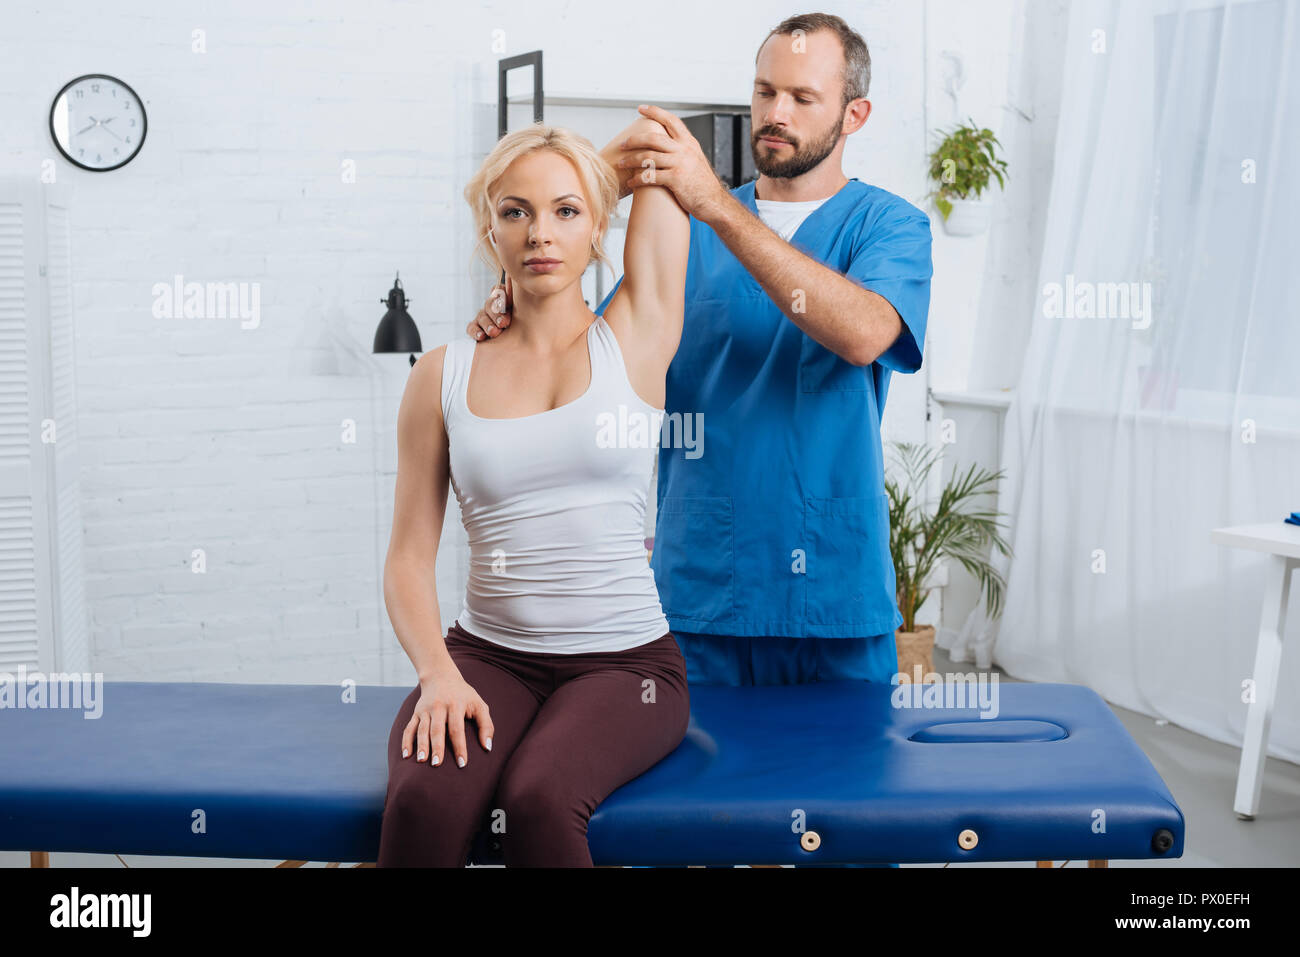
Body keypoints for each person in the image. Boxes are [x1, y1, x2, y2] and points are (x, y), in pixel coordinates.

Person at [467, 12, 932, 694]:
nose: (775, 113)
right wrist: (520, 299)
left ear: (853, 114)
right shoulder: (686, 236)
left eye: (803, 98)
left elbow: (864, 333)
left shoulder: (888, 225)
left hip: (833, 597)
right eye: (765, 91)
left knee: (845, 798)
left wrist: (714, 203)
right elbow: (591, 357)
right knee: (691, 802)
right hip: (703, 594)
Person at [378, 116, 691, 867]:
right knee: (423, 801)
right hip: (488, 655)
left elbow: (661, 147)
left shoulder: (637, 335)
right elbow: (407, 560)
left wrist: (579, 171)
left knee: (539, 800)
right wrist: (437, 674)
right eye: (514, 212)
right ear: (490, 235)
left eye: (565, 211)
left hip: (626, 666)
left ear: (597, 228)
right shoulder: (442, 374)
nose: (539, 233)